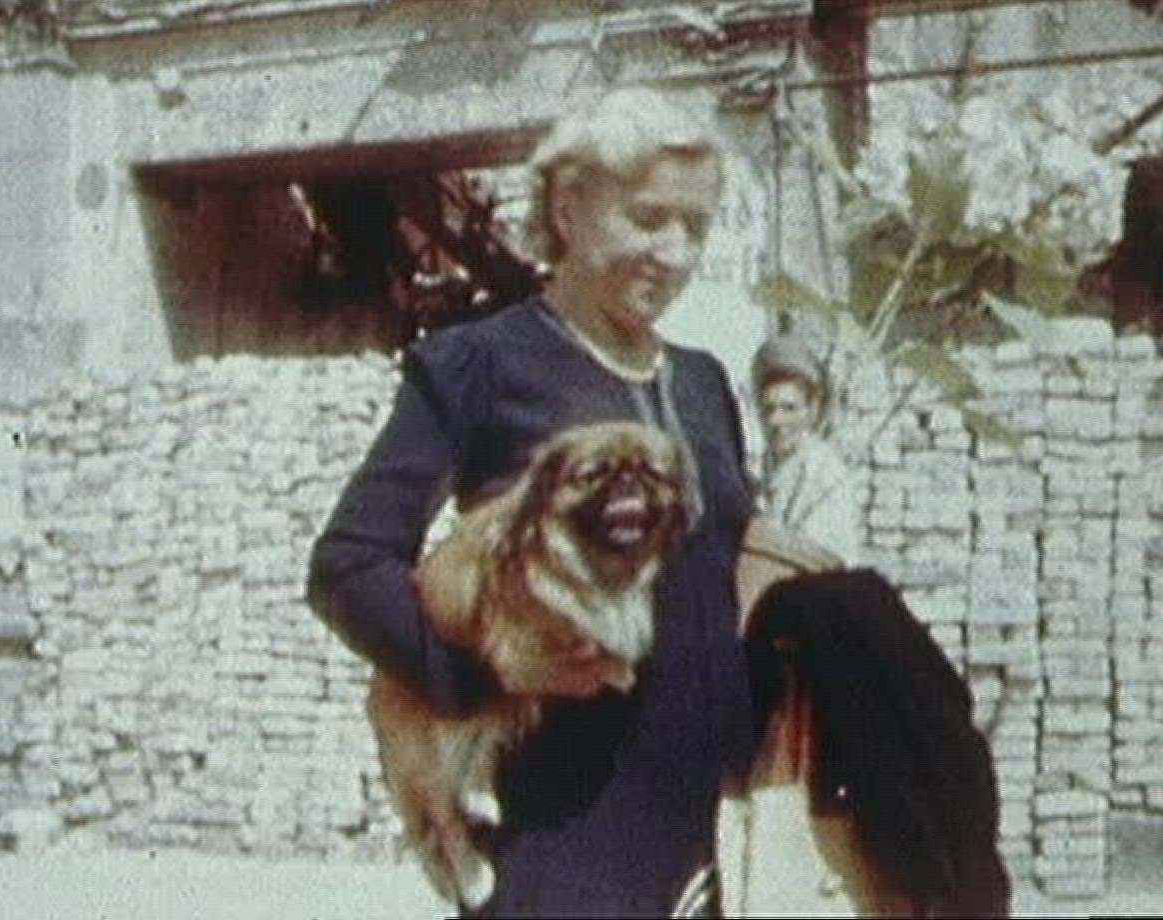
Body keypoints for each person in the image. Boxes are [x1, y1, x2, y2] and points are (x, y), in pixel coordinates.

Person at [306, 88, 756, 918]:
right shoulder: (479, 365)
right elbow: (347, 565)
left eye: (696, 227)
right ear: (569, 206)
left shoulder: (704, 384)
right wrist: (481, 673)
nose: (674, 252)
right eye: (648, 218)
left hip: (715, 836)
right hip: (558, 839)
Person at [750, 333, 862, 564]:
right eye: (769, 408)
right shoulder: (762, 466)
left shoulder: (825, 474)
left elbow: (824, 559)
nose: (776, 420)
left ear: (811, 411)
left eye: (789, 408)